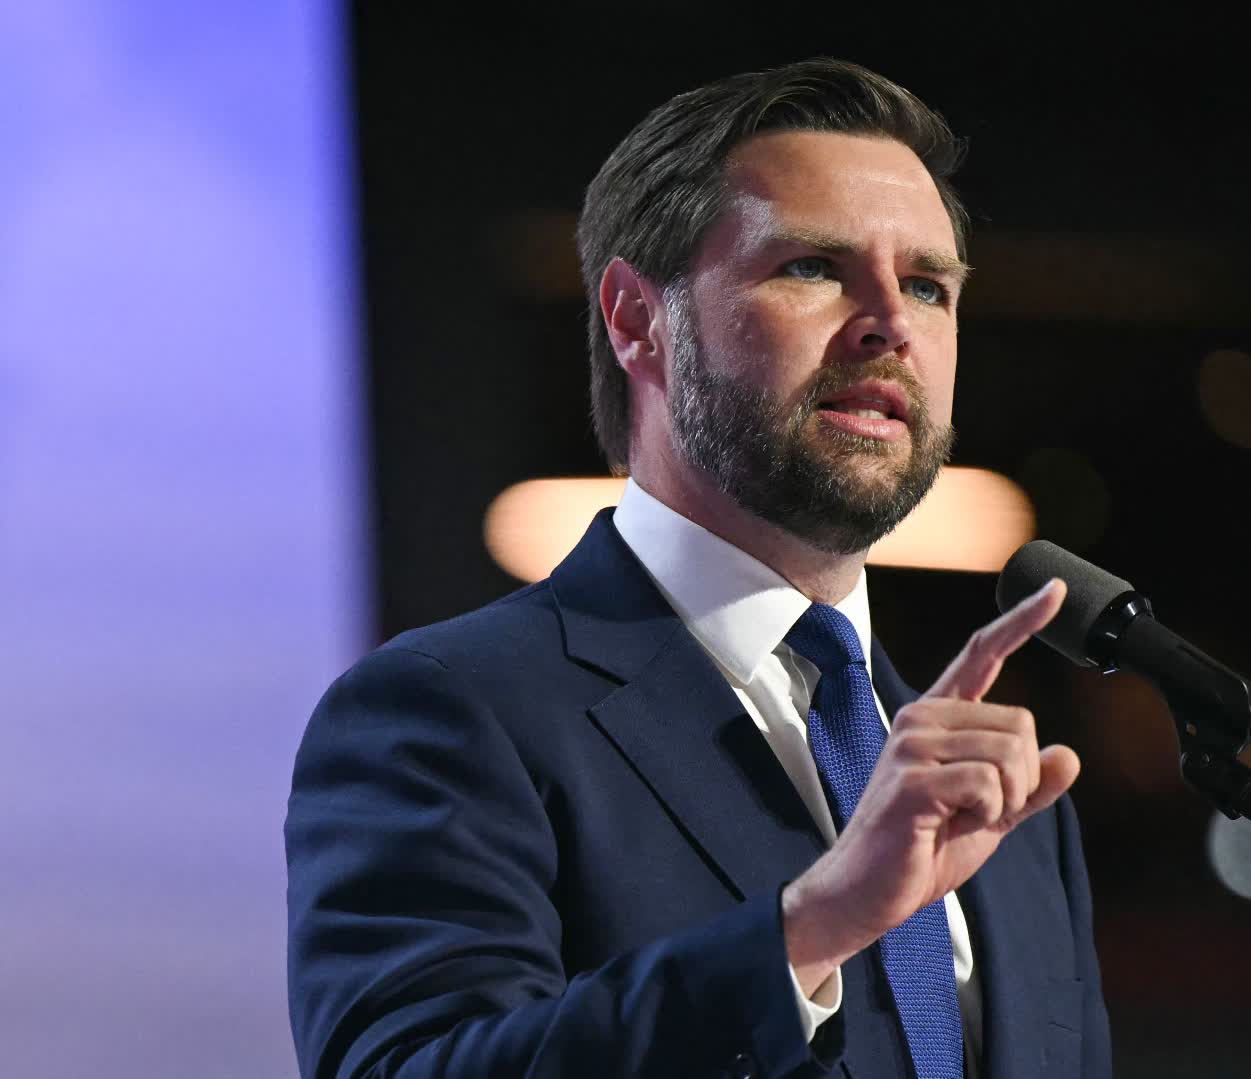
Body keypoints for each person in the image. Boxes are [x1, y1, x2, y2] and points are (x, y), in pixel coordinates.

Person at [284, 58, 1112, 1078]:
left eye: (927, 286)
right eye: (813, 267)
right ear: (638, 320)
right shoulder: (448, 714)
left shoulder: (1016, 816)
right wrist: (808, 928)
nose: (892, 323)